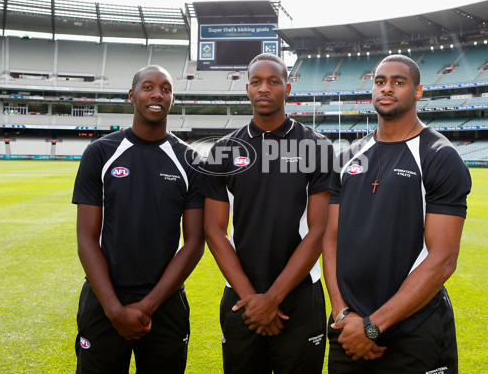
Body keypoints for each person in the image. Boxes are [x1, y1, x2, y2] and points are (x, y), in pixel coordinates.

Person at [323, 54, 472, 373]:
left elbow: (443, 258)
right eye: (380, 82)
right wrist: (342, 315)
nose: (386, 88)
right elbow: (331, 240)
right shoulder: (346, 157)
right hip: (347, 331)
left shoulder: (439, 157)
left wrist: (373, 326)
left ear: (418, 92)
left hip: (413, 334)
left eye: (398, 82)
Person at [202, 53, 333, 373]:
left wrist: (273, 298)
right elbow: (214, 231)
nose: (264, 88)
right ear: (246, 88)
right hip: (241, 296)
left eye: (273, 81)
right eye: (257, 82)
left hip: (300, 295)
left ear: (287, 88)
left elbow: (320, 230)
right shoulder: (223, 151)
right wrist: (253, 299)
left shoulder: (316, 147)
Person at [72, 65, 205, 373]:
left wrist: (146, 307)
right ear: (132, 95)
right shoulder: (100, 153)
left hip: (165, 303)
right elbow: (86, 238)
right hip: (105, 298)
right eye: (148, 87)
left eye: (166, 89)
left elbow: (195, 243)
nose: (157, 94)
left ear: (173, 100)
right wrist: (114, 310)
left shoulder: (190, 161)